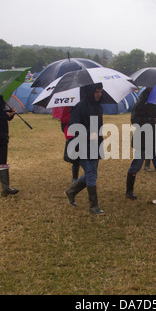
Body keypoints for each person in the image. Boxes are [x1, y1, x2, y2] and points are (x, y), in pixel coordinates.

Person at [125, 87, 156, 203]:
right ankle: (129, 191)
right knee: (136, 166)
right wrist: (151, 120)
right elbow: (135, 120)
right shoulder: (140, 104)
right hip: (141, 141)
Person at [65, 83, 105, 215]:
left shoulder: (98, 107)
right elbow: (72, 127)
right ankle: (94, 206)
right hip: (82, 146)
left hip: (95, 145)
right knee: (92, 174)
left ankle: (71, 191)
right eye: (96, 92)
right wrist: (87, 135)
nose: (98, 94)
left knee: (91, 173)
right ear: (90, 92)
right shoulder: (79, 107)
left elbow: (99, 125)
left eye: (100, 91)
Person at [60, 106, 80, 183]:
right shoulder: (67, 106)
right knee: (75, 158)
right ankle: (75, 178)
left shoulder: (86, 103)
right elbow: (63, 119)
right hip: (72, 133)